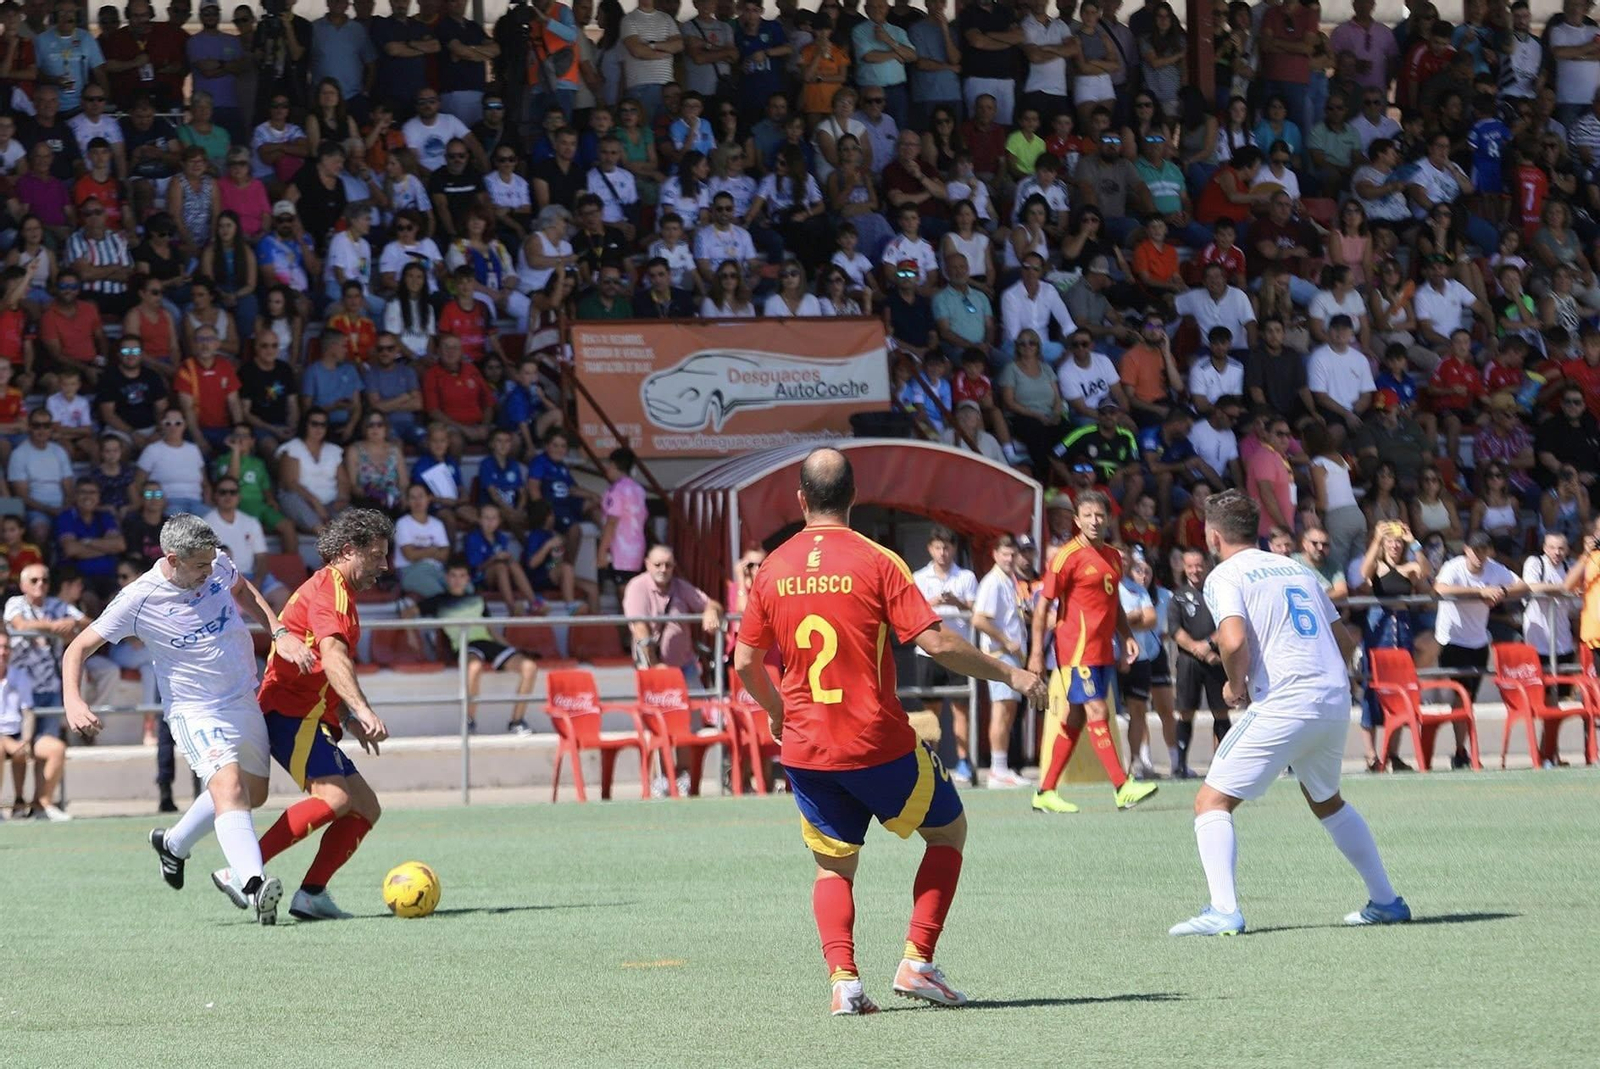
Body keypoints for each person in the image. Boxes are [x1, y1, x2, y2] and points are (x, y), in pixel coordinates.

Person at [733, 447, 1046, 1014]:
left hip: (806, 749)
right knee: (948, 831)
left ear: (800, 500)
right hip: (874, 741)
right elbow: (937, 641)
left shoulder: (773, 566)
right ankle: (918, 961)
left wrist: (776, 713)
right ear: (854, 497)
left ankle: (845, 983)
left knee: (833, 865)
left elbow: (745, 662)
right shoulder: (877, 560)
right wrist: (1012, 672)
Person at [1168, 488, 1411, 936]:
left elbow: (1233, 640)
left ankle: (1224, 911)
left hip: (1286, 699)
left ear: (1212, 536)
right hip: (1332, 696)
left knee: (1210, 801)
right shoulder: (1294, 569)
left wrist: (1235, 684)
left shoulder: (1224, 577)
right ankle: (1386, 900)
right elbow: (1346, 642)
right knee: (1326, 800)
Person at [62, 514, 314, 923]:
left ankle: (174, 844)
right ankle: (251, 883)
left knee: (254, 793)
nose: (208, 571)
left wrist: (278, 631)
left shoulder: (215, 563)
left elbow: (242, 587)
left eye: (212, 563)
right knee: (228, 786)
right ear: (173, 558)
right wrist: (73, 700)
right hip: (195, 710)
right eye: (199, 566)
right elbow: (77, 648)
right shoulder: (137, 599)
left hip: (242, 698)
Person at [240, 508, 393, 921]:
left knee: (364, 807)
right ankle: (244, 870)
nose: (384, 565)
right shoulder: (332, 591)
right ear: (348, 551)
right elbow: (332, 653)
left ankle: (311, 894)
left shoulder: (333, 589)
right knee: (335, 798)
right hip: (292, 714)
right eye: (377, 555)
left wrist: (344, 715)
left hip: (310, 714)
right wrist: (361, 708)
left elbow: (322, 666)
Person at [1029, 491, 1159, 814]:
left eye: (1099, 515)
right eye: (1087, 515)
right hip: (1075, 650)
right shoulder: (1065, 557)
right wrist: (1035, 654)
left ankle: (1045, 791)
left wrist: (1126, 635)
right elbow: (1043, 605)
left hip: (1102, 649)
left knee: (1074, 718)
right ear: (1077, 520)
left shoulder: (1115, 557)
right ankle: (1122, 786)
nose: (1094, 521)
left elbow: (1112, 603)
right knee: (1098, 711)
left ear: (1108, 518)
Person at [410, 558, 541, 734]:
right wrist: (412, 636)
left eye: (462, 576)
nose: (457, 580)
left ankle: (516, 721)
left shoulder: (477, 599)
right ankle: (469, 722)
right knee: (474, 668)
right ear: (446, 578)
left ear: (467, 579)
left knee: (530, 667)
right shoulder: (437, 601)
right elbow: (407, 612)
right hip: (465, 645)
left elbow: (490, 629)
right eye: (453, 575)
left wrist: (511, 648)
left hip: (488, 643)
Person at [3, 562, 86, 821]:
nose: (41, 585)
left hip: (49, 687)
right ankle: (18, 802)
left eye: (45, 581)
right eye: (35, 580)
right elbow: (19, 625)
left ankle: (41, 804)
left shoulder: (57, 606)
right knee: (19, 746)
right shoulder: (16, 603)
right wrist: (55, 628)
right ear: (23, 584)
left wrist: (70, 622)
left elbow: (89, 625)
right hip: (17, 688)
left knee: (44, 748)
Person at [911, 526, 977, 782]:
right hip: (928, 652)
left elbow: (975, 610)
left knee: (961, 708)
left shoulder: (966, 577)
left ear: (954, 549)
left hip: (959, 652)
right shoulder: (919, 577)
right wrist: (934, 603)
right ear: (930, 548)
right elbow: (913, 610)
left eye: (947, 547)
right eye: (938, 547)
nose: (943, 553)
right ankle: (930, 764)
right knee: (931, 712)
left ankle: (963, 764)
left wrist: (956, 603)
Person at [970, 532, 1031, 788]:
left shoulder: (1009, 580)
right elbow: (980, 619)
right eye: (1004, 554)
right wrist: (1006, 641)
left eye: (1012, 554)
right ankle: (997, 768)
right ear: (995, 555)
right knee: (1002, 711)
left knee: (1008, 711)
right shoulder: (993, 581)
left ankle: (1002, 766)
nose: (1009, 558)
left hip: (1011, 656)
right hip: (1001, 655)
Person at [623, 544, 723, 691]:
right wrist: (655, 665)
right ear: (647, 564)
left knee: (696, 711)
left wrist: (711, 611)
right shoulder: (637, 587)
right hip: (652, 667)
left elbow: (712, 603)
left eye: (668, 565)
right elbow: (640, 629)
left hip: (685, 666)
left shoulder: (680, 586)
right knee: (658, 713)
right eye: (658, 565)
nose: (663, 569)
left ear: (674, 566)